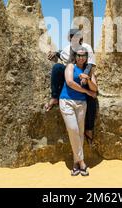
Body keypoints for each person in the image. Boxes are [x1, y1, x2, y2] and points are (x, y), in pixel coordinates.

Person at [45, 29, 98, 144]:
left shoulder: (86, 47)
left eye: (77, 36)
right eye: (72, 36)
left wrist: (85, 76)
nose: (74, 38)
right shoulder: (66, 48)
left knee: (92, 98)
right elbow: (62, 54)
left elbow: (89, 63)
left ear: (80, 38)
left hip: (83, 75)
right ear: (69, 38)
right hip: (70, 75)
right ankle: (54, 97)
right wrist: (56, 53)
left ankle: (89, 129)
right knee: (57, 68)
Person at [58, 46, 98, 176]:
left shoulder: (90, 71)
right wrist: (86, 91)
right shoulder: (70, 66)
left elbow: (94, 89)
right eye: (78, 55)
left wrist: (87, 78)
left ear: (87, 57)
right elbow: (69, 82)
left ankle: (76, 163)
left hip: (81, 104)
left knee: (80, 132)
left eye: (83, 55)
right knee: (73, 129)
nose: (81, 58)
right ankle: (81, 162)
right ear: (75, 56)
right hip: (67, 101)